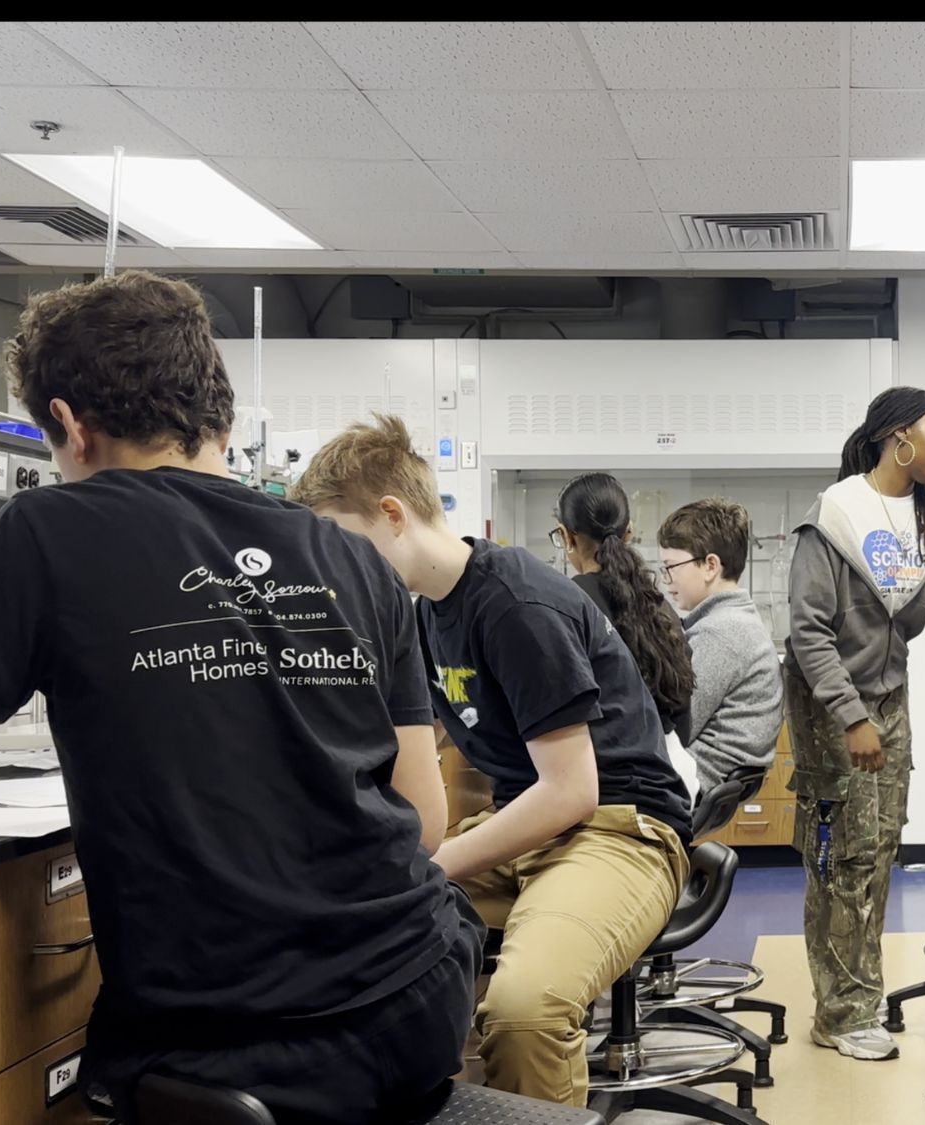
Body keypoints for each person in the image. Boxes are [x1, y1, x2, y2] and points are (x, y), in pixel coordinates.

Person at [0, 271, 480, 1124]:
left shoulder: (47, 531)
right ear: (221, 420)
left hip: (239, 1045)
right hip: (423, 994)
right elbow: (423, 816)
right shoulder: (349, 558)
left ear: (67, 426)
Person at [292, 419, 691, 1108]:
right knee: (346, 939)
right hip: (529, 826)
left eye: (338, 541)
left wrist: (433, 863)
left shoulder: (512, 601)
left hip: (617, 828)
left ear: (391, 515)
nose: (334, 569)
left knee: (525, 1010)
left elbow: (570, 790)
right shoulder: (424, 616)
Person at [786, 385, 925, 1061]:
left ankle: (862, 995)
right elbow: (809, 632)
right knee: (842, 857)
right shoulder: (837, 514)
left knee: (879, 852)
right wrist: (850, 716)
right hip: (829, 706)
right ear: (898, 436)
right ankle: (842, 1012)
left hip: (890, 699)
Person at [657, 497, 784, 826]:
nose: (666, 579)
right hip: (702, 782)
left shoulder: (720, 634)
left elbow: (677, 725)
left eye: (671, 567)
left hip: (686, 786)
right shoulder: (731, 620)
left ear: (710, 565)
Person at [555, 472, 694, 739]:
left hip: (604, 773)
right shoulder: (659, 606)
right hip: (669, 769)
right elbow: (682, 718)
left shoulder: (567, 605)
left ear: (566, 537)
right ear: (629, 531)